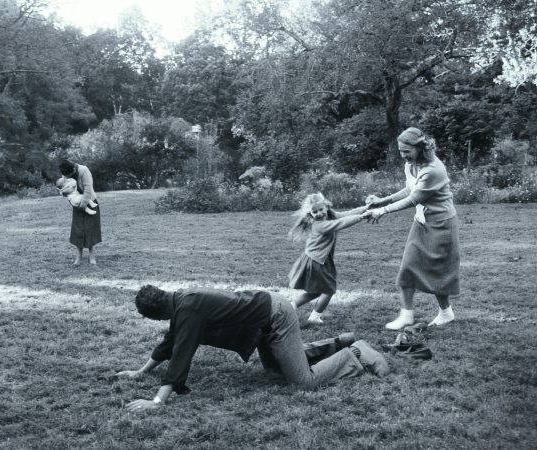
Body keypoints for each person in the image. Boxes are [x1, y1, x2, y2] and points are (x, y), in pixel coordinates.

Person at [117, 285, 388, 412]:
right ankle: (341, 341)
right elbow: (171, 342)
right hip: (264, 320)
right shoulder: (180, 300)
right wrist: (140, 372)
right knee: (275, 370)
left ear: (159, 311)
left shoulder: (188, 309)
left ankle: (355, 353)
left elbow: (182, 354)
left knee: (303, 380)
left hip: (276, 317)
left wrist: (157, 401)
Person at [363, 127, 460, 330]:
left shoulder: (434, 169)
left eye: (406, 151)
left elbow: (414, 198)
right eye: (400, 151)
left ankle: (445, 312)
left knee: (438, 271)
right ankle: (406, 315)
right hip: (422, 220)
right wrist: (383, 200)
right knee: (407, 266)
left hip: (441, 223)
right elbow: (410, 188)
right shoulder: (412, 164)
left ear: (419, 148)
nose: (403, 155)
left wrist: (382, 210)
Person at [288, 192, 368, 324]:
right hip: (316, 261)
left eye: (321, 209)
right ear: (310, 214)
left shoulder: (330, 215)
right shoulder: (320, 225)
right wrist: (361, 217)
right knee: (329, 290)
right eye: (315, 212)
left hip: (317, 259)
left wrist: (365, 208)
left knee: (316, 291)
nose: (319, 213)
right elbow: (342, 223)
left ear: (326, 207)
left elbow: (346, 214)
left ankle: (290, 307)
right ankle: (314, 317)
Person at [59, 159, 102, 266]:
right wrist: (69, 198)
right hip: (76, 203)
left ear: (74, 169)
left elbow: (87, 189)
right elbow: (63, 188)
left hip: (89, 201)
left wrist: (83, 206)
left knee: (90, 229)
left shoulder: (84, 170)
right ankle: (78, 256)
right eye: (66, 176)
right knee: (78, 230)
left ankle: (92, 255)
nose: (67, 177)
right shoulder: (65, 172)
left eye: (70, 175)